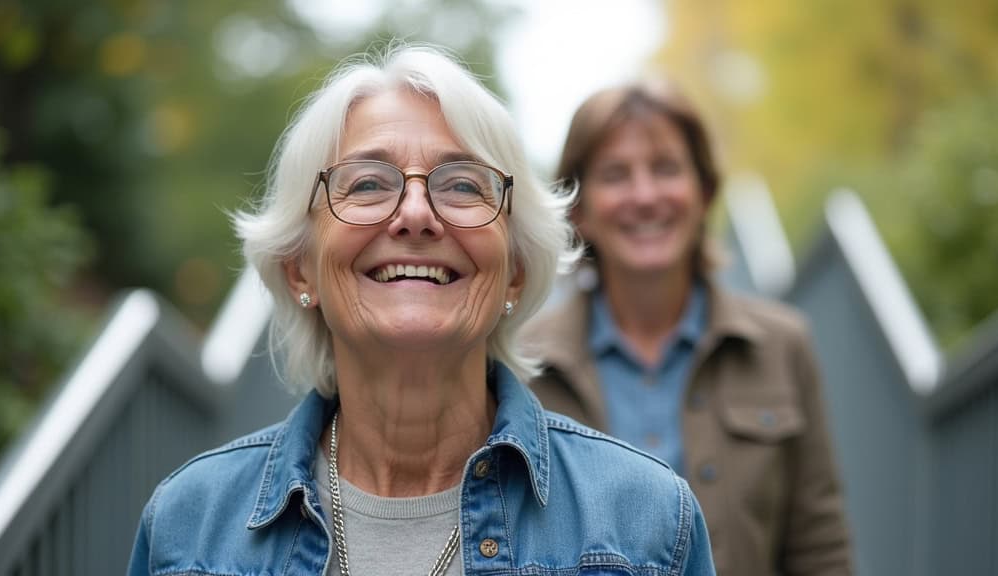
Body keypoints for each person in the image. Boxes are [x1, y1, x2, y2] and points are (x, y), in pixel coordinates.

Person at [127, 47, 715, 576]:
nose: (415, 213)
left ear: (515, 269)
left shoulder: (649, 524)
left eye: (462, 185)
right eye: (365, 185)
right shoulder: (188, 526)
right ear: (299, 268)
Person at [524, 79, 852, 576]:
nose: (645, 195)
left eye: (666, 168)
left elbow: (819, 548)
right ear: (579, 210)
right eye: (615, 175)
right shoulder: (521, 363)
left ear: (705, 191)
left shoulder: (784, 346)